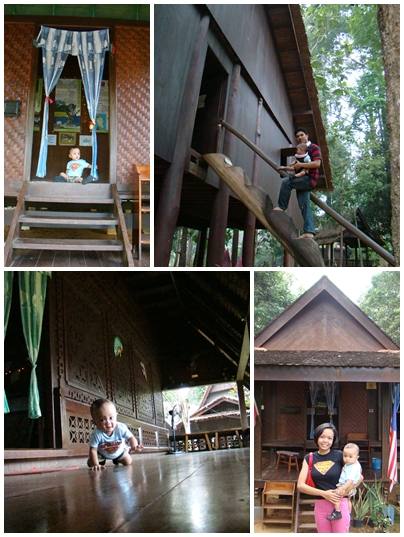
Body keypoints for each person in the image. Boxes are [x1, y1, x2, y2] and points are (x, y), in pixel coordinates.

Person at [297, 423, 363, 533]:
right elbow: (300, 486)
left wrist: (343, 491)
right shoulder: (309, 458)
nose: (325, 441)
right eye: (322, 436)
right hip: (320, 505)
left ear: (333, 440)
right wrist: (323, 493)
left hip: (339, 503)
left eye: (329, 438)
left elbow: (359, 477)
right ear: (317, 437)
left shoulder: (340, 455)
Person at [274, 127, 322, 239]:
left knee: (286, 182)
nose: (299, 137)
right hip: (303, 180)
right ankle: (309, 231)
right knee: (304, 204)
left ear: (307, 135)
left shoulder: (313, 147)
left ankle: (282, 206)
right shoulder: (300, 151)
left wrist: (301, 165)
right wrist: (286, 167)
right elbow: (295, 167)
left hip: (309, 178)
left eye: (301, 135)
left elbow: (317, 163)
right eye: (297, 136)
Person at [87, 398, 143, 471]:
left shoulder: (120, 428)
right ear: (94, 422)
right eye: (102, 420)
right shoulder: (96, 434)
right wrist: (96, 464)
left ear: (116, 416)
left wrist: (134, 446)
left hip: (119, 451)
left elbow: (131, 438)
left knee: (128, 462)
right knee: (91, 463)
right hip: (102, 454)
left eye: (111, 418)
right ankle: (98, 462)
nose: (108, 422)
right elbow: (93, 450)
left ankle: (117, 459)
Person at [327, 443, 362, 521]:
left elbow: (350, 480)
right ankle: (349, 514)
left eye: (350, 456)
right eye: (345, 456)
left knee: (337, 498)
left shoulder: (352, 468)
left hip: (346, 484)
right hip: (351, 486)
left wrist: (343, 488)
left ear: (357, 457)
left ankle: (337, 512)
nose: (347, 459)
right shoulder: (354, 463)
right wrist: (344, 467)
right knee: (348, 500)